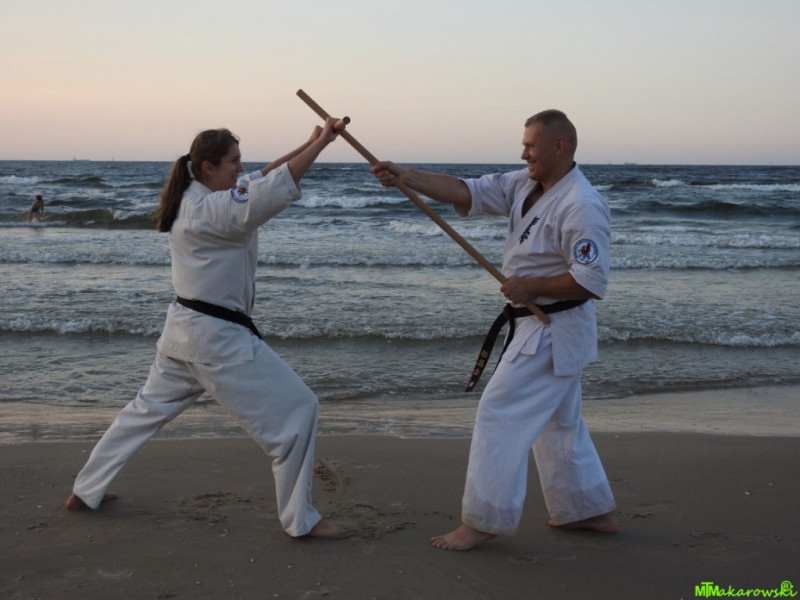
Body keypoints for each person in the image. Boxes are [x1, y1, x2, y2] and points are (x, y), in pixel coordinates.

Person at [65, 119, 347, 539]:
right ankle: (300, 520)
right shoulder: (213, 210)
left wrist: (309, 142)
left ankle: (85, 489)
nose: (241, 167)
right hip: (217, 342)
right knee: (299, 408)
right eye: (233, 161)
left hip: (183, 334)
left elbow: (262, 179)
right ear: (208, 167)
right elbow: (269, 189)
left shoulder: (195, 199)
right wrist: (320, 145)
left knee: (142, 413)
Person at [371, 109, 618, 550]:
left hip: (553, 328)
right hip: (536, 324)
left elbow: (590, 281)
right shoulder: (524, 184)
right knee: (559, 423)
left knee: (498, 414)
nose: (523, 154)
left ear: (559, 146)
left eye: (531, 146)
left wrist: (532, 286)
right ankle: (588, 510)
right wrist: (405, 176)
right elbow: (465, 190)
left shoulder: (581, 204)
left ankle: (484, 519)